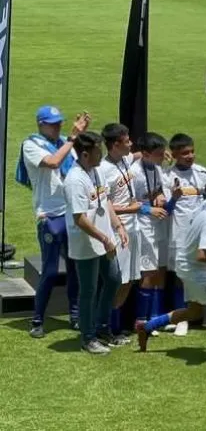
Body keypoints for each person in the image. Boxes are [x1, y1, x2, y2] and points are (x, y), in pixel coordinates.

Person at [136, 176, 206, 363]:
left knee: (193, 312)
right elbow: (202, 254)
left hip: (188, 266)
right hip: (193, 269)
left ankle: (146, 327)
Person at [17, 106, 89, 338]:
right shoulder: (32, 145)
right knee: (49, 271)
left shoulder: (65, 145)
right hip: (49, 215)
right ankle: (37, 320)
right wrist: (72, 138)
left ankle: (76, 316)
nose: (57, 127)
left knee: (74, 268)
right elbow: (53, 163)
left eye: (59, 123)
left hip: (71, 213)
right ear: (41, 124)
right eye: (53, 123)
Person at [64, 131, 127, 354]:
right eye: (98, 151)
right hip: (87, 244)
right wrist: (104, 238)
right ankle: (88, 337)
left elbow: (106, 200)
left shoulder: (97, 171)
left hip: (104, 240)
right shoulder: (74, 180)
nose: (102, 154)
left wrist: (117, 226)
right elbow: (79, 219)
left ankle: (102, 327)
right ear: (84, 154)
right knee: (89, 290)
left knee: (113, 280)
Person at [165, 133, 206, 336]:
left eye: (192, 151)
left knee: (205, 273)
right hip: (179, 234)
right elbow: (166, 209)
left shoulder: (202, 173)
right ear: (174, 154)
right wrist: (174, 198)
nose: (190, 156)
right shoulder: (168, 176)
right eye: (185, 153)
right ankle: (181, 319)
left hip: (201, 234)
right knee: (181, 276)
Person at [98, 123, 140, 345]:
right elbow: (105, 204)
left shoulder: (125, 159)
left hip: (134, 229)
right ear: (115, 145)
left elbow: (137, 155)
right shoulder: (104, 170)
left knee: (130, 280)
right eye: (127, 141)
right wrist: (130, 209)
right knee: (118, 281)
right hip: (118, 228)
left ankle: (114, 326)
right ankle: (107, 328)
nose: (131, 144)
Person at [129, 133, 172, 331]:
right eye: (159, 154)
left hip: (157, 223)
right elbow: (126, 202)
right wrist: (149, 209)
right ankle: (141, 320)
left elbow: (157, 190)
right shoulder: (134, 173)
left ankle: (156, 317)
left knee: (158, 268)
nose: (163, 157)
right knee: (148, 271)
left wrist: (160, 197)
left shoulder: (156, 168)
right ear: (145, 154)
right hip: (142, 225)